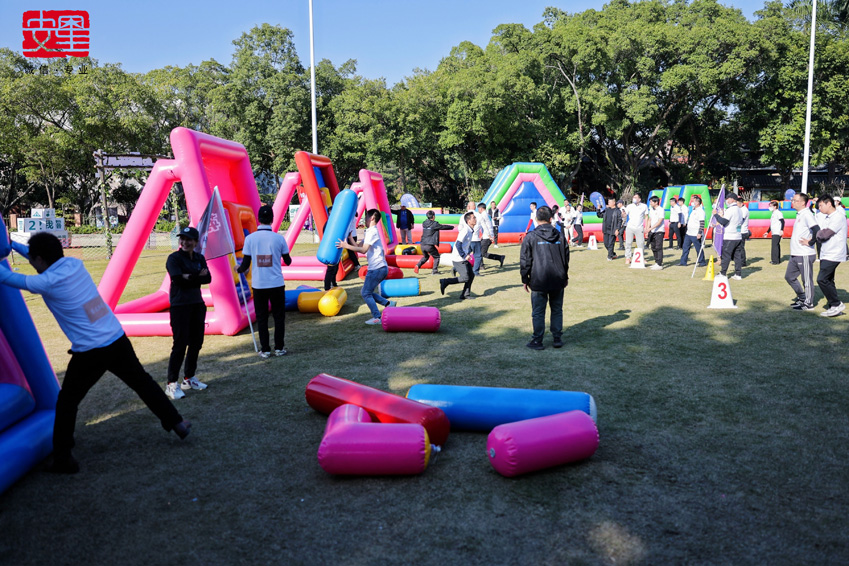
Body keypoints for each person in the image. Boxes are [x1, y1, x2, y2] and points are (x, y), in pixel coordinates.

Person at [0, 232, 190, 474]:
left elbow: (5, 277)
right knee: (143, 383)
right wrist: (11, 245)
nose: (31, 263)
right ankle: (177, 422)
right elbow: (38, 256)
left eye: (33, 259)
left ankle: (63, 459)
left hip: (90, 351)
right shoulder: (74, 264)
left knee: (67, 403)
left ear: (39, 259)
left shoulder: (45, 282)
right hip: (116, 338)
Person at [237, 205, 293, 358]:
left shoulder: (250, 239)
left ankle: (266, 349)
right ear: (272, 219)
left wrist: (239, 269)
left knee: (262, 318)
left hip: (259, 285)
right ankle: (279, 348)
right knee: (279, 317)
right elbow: (288, 261)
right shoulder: (279, 238)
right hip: (276, 283)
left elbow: (245, 264)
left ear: (258, 219)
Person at [165, 226, 210, 399]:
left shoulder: (199, 257)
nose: (184, 242)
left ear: (195, 242)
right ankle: (171, 384)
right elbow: (177, 279)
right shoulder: (174, 258)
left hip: (197, 304)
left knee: (196, 343)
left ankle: (189, 378)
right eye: (182, 239)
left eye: (188, 239)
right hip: (180, 306)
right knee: (180, 344)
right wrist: (196, 275)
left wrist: (189, 276)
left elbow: (208, 278)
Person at [520, 206, 570, 351]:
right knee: (556, 309)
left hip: (539, 279)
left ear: (536, 219)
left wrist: (525, 279)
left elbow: (525, 261)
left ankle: (538, 340)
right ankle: (557, 338)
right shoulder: (559, 236)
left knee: (538, 311)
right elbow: (566, 259)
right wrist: (564, 276)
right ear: (550, 219)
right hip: (557, 278)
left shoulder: (531, 237)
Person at [337, 209, 396, 324]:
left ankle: (377, 317)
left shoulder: (372, 231)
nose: (366, 219)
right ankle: (388, 304)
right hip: (377, 268)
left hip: (378, 268)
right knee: (366, 292)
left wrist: (346, 246)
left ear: (372, 218)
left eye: (367, 216)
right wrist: (349, 239)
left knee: (365, 293)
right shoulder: (369, 231)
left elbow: (363, 250)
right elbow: (359, 245)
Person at [785, 193, 819, 311]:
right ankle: (802, 297)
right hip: (795, 253)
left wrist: (810, 242)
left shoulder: (807, 215)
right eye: (792, 200)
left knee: (807, 280)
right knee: (789, 277)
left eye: (795, 200)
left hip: (804, 253)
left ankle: (809, 303)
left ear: (803, 202)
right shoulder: (799, 215)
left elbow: (817, 230)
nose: (792, 202)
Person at [814, 195, 846, 317]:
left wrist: (819, 234)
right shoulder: (827, 217)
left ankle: (836, 304)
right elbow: (820, 232)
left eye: (821, 205)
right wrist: (819, 234)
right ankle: (833, 305)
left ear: (829, 204)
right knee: (828, 279)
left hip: (834, 252)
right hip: (826, 252)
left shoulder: (838, 216)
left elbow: (824, 234)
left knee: (821, 279)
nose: (819, 207)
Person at [439, 211, 477, 300]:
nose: (475, 219)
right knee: (465, 277)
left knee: (471, 275)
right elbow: (458, 244)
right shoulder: (465, 230)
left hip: (462, 257)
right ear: (468, 221)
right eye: (473, 218)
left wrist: (468, 253)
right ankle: (445, 281)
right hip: (458, 258)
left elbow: (465, 244)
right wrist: (464, 255)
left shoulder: (470, 230)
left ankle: (465, 294)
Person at [712, 193, 744, 280]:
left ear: (733, 199)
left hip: (730, 236)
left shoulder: (731, 209)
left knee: (726, 255)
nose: (727, 201)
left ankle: (723, 273)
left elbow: (724, 221)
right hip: (738, 236)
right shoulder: (739, 209)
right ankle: (738, 274)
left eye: (728, 199)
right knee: (737, 256)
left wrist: (716, 215)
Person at [416, 210, 453, 274]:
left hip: (422, 244)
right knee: (437, 257)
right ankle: (435, 271)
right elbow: (443, 227)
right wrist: (452, 227)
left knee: (426, 257)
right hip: (429, 245)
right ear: (433, 216)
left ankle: (417, 265)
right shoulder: (434, 224)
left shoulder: (424, 223)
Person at [678, 196, 707, 267]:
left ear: (697, 202)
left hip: (695, 233)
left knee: (698, 248)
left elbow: (702, 223)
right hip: (689, 233)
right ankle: (683, 262)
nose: (692, 202)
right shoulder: (693, 210)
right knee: (685, 247)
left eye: (693, 201)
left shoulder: (701, 211)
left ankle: (702, 262)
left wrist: (699, 233)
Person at [477, 202, 505, 270]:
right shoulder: (487, 214)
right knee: (482, 252)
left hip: (487, 236)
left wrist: (489, 236)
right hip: (487, 235)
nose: (478, 210)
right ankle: (499, 258)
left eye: (478, 209)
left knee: (481, 252)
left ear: (481, 209)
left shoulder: (483, 215)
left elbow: (485, 227)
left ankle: (481, 266)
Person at [623, 194, 649, 265]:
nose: (634, 198)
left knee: (640, 243)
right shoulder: (629, 206)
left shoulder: (644, 206)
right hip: (630, 227)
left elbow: (646, 216)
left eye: (635, 197)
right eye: (633, 197)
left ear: (639, 199)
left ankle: (641, 257)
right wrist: (623, 214)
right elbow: (624, 215)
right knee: (628, 243)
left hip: (639, 227)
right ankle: (628, 258)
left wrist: (646, 227)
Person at [646, 196, 666, 269]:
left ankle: (660, 264)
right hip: (652, 231)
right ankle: (656, 262)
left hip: (659, 231)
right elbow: (650, 219)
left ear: (656, 202)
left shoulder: (661, 210)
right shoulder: (651, 210)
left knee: (658, 247)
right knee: (653, 247)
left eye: (651, 202)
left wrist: (651, 228)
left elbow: (659, 222)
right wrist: (648, 228)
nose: (650, 203)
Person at [766, 200, 785, 264]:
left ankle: (776, 261)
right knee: (775, 246)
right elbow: (772, 224)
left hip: (777, 231)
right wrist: (767, 232)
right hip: (773, 231)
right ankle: (775, 259)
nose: (770, 207)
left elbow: (782, 221)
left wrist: (781, 230)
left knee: (775, 246)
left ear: (775, 206)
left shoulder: (778, 213)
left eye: (771, 206)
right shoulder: (773, 213)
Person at [467, 201, 484, 275]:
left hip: (467, 239)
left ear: (468, 207)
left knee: (464, 254)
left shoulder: (464, 216)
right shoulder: (478, 215)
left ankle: (456, 268)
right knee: (477, 256)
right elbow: (484, 226)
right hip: (476, 239)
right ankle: (475, 271)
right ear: (474, 207)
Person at [739, 198, 751, 267]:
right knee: (738, 247)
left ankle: (743, 262)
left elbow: (741, 220)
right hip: (739, 230)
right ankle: (739, 261)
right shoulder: (740, 209)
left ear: (741, 203)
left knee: (741, 247)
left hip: (743, 231)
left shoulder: (744, 210)